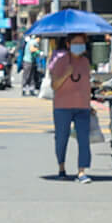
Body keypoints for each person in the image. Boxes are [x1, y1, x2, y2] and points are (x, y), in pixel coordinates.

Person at [48, 34, 96, 182]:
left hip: (82, 106)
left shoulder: (85, 62)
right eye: (76, 43)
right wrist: (65, 74)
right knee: (61, 139)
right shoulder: (60, 60)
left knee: (83, 140)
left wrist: (90, 104)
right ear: (68, 44)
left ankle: (82, 171)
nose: (79, 46)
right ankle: (61, 167)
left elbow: (86, 85)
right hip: (63, 106)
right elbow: (54, 85)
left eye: (81, 43)